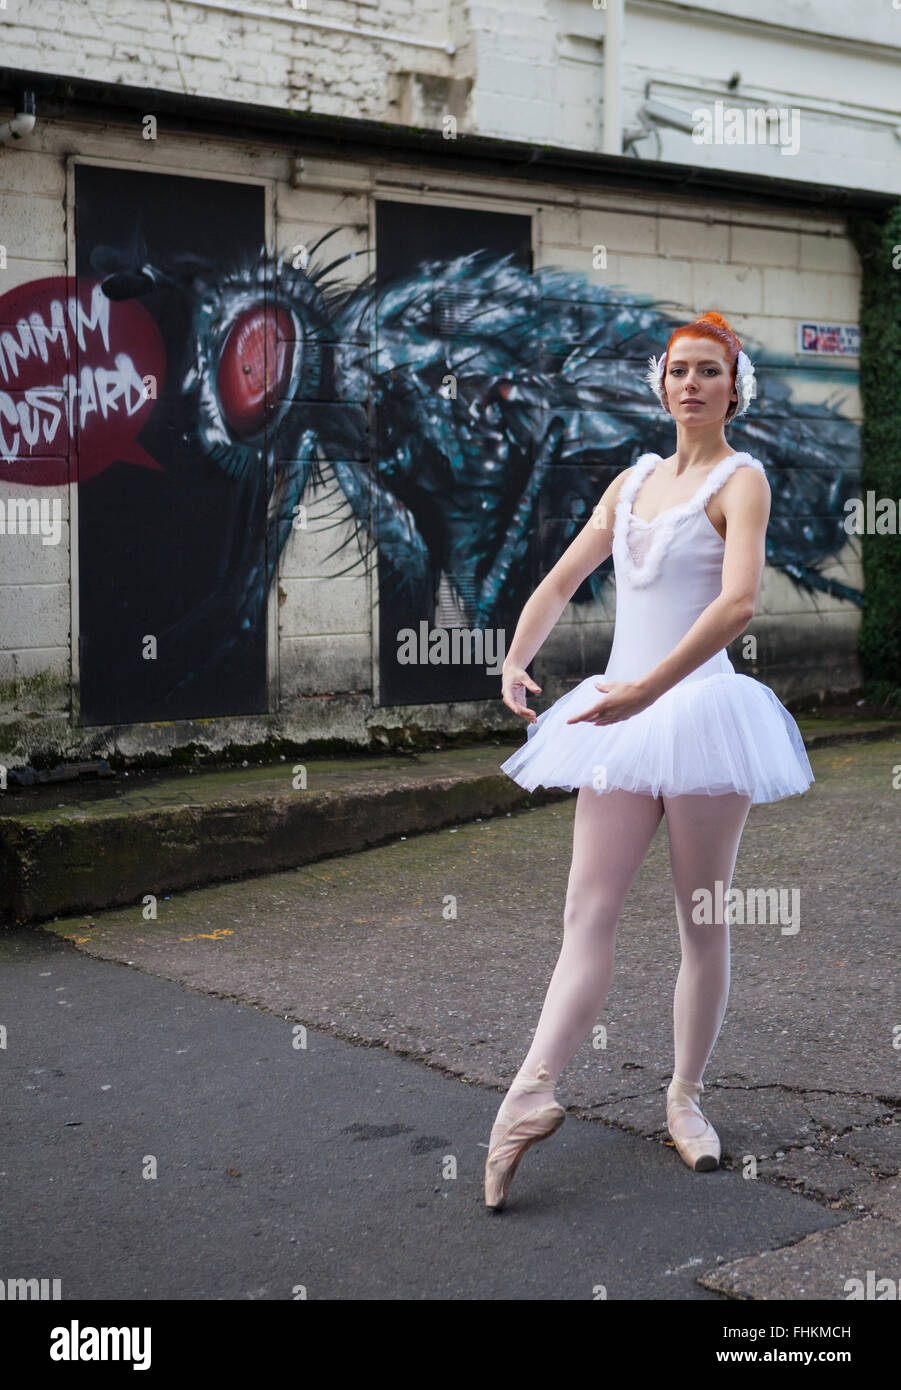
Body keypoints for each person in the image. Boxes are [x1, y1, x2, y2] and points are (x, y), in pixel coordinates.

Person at [485, 310, 814, 1212]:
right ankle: (529, 1093)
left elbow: (737, 604)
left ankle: (684, 1099)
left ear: (733, 388)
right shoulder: (630, 482)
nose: (691, 384)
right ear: (659, 383)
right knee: (585, 911)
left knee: (700, 920)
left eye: (709, 371)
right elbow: (562, 579)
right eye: (679, 370)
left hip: (700, 714)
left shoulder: (741, 480)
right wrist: (515, 659)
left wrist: (646, 691)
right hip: (620, 721)